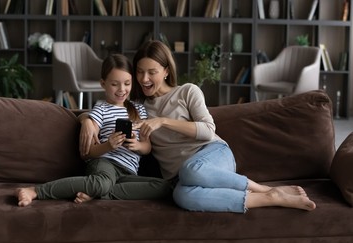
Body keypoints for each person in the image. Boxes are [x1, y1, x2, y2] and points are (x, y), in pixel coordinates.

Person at [80, 40, 316, 213]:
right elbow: (106, 109)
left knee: (191, 170)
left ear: (166, 71)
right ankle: (270, 197)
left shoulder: (188, 91)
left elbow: (207, 130)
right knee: (182, 196)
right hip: (181, 178)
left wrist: (163, 121)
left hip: (213, 155)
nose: (144, 79)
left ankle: (260, 188)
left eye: (152, 72)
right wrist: (87, 120)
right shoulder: (137, 107)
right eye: (140, 72)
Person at [16, 53, 172, 207]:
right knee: (102, 182)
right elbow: (87, 153)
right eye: (114, 84)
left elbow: (147, 147)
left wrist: (137, 146)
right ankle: (36, 191)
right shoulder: (101, 109)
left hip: (128, 172)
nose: (121, 89)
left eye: (127, 83)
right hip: (105, 164)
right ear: (103, 84)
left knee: (165, 187)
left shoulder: (139, 110)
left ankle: (98, 192)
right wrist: (108, 145)